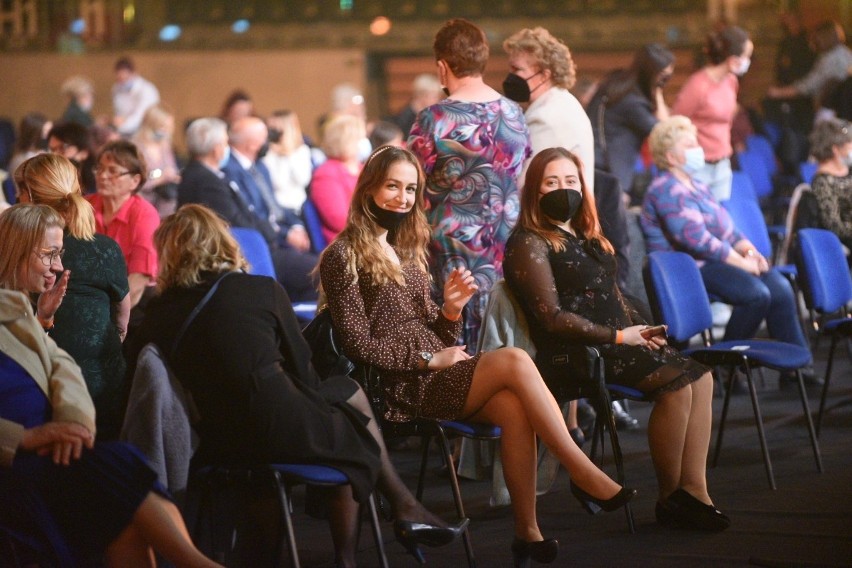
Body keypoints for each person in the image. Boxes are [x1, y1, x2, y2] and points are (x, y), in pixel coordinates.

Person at [320, 145, 637, 565]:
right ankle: (580, 470)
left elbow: (429, 328)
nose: (402, 197)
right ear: (368, 191)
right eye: (392, 186)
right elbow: (358, 343)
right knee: (514, 359)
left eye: (410, 189)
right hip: (394, 387)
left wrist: (450, 310)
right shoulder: (343, 255)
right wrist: (426, 360)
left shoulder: (409, 249)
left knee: (513, 409)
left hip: (433, 372)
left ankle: (527, 532)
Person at [126, 204, 465, 567]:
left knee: (346, 397)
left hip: (216, 439)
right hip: (277, 426)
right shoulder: (260, 290)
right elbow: (306, 376)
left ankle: (399, 512)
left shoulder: (156, 315)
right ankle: (378, 531)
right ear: (221, 243)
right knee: (351, 415)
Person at [503, 146, 727, 531]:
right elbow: (552, 318)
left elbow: (613, 294)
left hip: (616, 340)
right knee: (676, 385)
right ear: (534, 191)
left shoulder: (584, 232)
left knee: (700, 375)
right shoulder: (529, 241)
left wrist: (645, 329)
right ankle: (670, 496)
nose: (563, 189)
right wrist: (621, 336)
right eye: (551, 182)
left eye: (570, 181)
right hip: (575, 353)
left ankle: (695, 492)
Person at [0, 203, 221, 567]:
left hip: (53, 451)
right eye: (49, 254)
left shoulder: (22, 311)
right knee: (119, 465)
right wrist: (24, 439)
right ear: (16, 252)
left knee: (124, 520)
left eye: (59, 255)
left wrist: (74, 423)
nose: (58, 266)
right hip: (18, 464)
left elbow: (63, 370)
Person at [640, 116, 817, 383]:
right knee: (756, 294)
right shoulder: (665, 189)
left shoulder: (698, 186)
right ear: (670, 156)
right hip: (689, 268)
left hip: (718, 262)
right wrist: (741, 263)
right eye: (689, 145)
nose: (697, 149)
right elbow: (696, 239)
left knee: (779, 288)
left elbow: (728, 230)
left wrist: (749, 252)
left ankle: (796, 371)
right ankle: (723, 366)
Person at [409, 18, 531, 350]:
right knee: (502, 343)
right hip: (505, 246)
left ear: (441, 67)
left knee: (459, 350)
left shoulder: (434, 119)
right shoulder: (514, 114)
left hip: (452, 252)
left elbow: (412, 185)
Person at [14, 154, 131, 440]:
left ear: (28, 198)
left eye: (19, 191)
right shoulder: (105, 248)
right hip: (106, 394)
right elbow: (122, 318)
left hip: (37, 397)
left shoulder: (16, 251)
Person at [222, 116, 318, 302]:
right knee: (322, 272)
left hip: (278, 240)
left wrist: (295, 226)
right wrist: (284, 233)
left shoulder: (259, 166)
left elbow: (275, 206)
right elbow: (251, 216)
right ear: (252, 144)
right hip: (265, 246)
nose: (269, 142)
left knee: (330, 267)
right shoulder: (230, 171)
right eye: (264, 137)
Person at [502, 26, 594, 192]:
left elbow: (526, 186)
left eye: (517, 69)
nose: (510, 76)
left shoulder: (547, 116)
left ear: (544, 76)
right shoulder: (562, 102)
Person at [672, 25, 753, 202]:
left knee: (719, 218)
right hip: (698, 166)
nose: (748, 61)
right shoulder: (698, 84)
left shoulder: (731, 81)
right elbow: (675, 122)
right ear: (732, 60)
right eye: (746, 56)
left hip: (723, 164)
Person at [586, 43, 675, 198]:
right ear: (651, 75)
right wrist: (658, 92)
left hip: (595, 162)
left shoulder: (616, 82)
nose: (665, 82)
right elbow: (666, 133)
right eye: (663, 78)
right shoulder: (632, 103)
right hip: (611, 173)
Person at [86, 140, 159, 309]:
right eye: (100, 168)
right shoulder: (85, 206)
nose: (102, 176)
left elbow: (138, 279)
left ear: (134, 181)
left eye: (113, 171)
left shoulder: (144, 215)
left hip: (128, 306)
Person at [767, 21, 852, 120]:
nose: (811, 44)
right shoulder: (846, 53)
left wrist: (778, 93)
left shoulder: (829, 59)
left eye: (814, 39)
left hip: (833, 112)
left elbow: (809, 86)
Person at [310, 113, 365, 244]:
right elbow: (339, 220)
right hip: (348, 242)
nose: (362, 143)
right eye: (358, 139)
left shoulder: (364, 168)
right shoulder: (326, 173)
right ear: (343, 141)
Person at [803, 118, 852, 252]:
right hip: (841, 246)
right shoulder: (822, 183)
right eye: (849, 145)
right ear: (836, 150)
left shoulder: (848, 172)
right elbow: (835, 227)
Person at [132, 103, 181, 218]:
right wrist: (160, 178)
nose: (167, 131)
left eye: (169, 127)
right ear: (151, 125)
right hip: (143, 205)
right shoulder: (136, 147)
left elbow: (172, 169)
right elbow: (134, 181)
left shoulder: (165, 145)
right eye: (163, 127)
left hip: (166, 206)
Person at [263, 109, 313, 215]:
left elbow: (303, 179)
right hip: (278, 208)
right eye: (270, 129)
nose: (272, 133)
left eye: (277, 130)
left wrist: (288, 153)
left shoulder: (301, 151)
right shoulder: (268, 153)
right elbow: (278, 183)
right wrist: (278, 154)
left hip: (299, 207)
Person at [111, 56, 160, 137]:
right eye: (119, 79)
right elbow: (119, 113)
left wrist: (118, 127)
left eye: (125, 78)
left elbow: (139, 116)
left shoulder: (146, 90)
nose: (123, 82)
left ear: (134, 74)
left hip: (147, 131)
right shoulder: (116, 89)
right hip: (126, 132)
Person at [47, 121, 97, 194]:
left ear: (84, 152)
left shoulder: (97, 188)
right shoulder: (49, 186)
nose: (55, 155)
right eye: (52, 150)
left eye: (62, 148)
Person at [388, 73, 444, 137]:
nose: (437, 100)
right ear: (422, 95)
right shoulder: (405, 119)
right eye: (435, 96)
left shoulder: (433, 114)